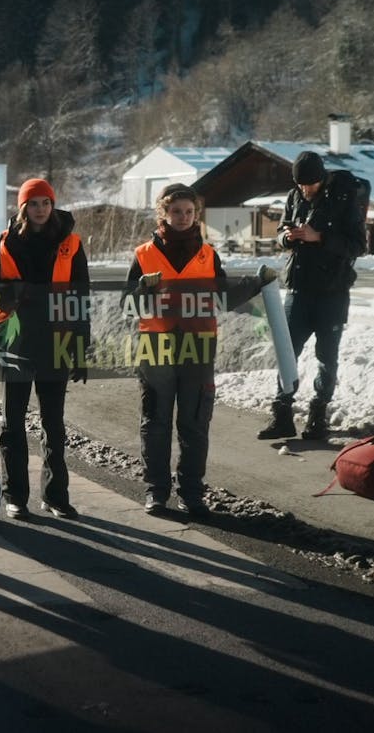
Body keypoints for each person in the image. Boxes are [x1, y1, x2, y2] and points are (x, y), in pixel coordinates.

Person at [126, 183, 268, 516]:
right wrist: (140, 289)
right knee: (156, 422)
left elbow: (223, 294)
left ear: (196, 214)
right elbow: (127, 304)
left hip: (198, 348)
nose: (183, 217)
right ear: (164, 212)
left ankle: (192, 493)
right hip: (157, 347)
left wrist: (256, 283)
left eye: (189, 212)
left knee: (194, 423)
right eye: (176, 211)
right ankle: (156, 491)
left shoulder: (208, 255)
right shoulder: (144, 254)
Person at [0, 178, 90, 520]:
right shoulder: (3, 243)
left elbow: (80, 299)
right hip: (16, 342)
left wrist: (80, 348)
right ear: (23, 208)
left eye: (45, 203)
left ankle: (56, 496)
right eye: (33, 203)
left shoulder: (71, 244)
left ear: (53, 204)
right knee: (12, 422)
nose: (40, 209)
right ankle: (14, 496)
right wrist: (6, 290)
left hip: (55, 341)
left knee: (53, 424)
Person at [257, 151, 367, 441]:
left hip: (333, 291)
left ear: (322, 177)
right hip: (298, 288)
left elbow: (358, 245)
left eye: (310, 184)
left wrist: (320, 237)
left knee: (326, 356)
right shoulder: (294, 196)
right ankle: (282, 415)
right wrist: (287, 237)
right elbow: (281, 230)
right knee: (286, 352)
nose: (306, 189)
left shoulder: (344, 196)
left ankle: (318, 416)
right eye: (300, 184)